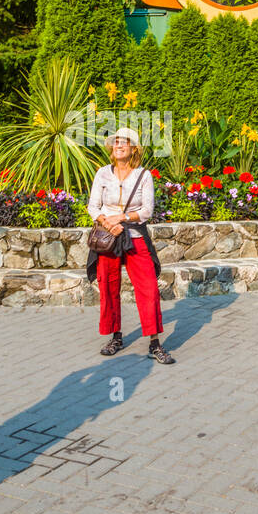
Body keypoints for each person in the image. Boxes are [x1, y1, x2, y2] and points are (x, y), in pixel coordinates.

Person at [85, 127, 173, 364]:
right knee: (109, 287)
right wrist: (106, 221)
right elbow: (93, 206)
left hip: (134, 236)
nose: (118, 145)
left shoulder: (144, 175)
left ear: (133, 148)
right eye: (116, 143)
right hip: (108, 238)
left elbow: (147, 210)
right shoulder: (102, 173)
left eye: (124, 142)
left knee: (148, 288)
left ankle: (154, 343)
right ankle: (116, 337)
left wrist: (121, 218)